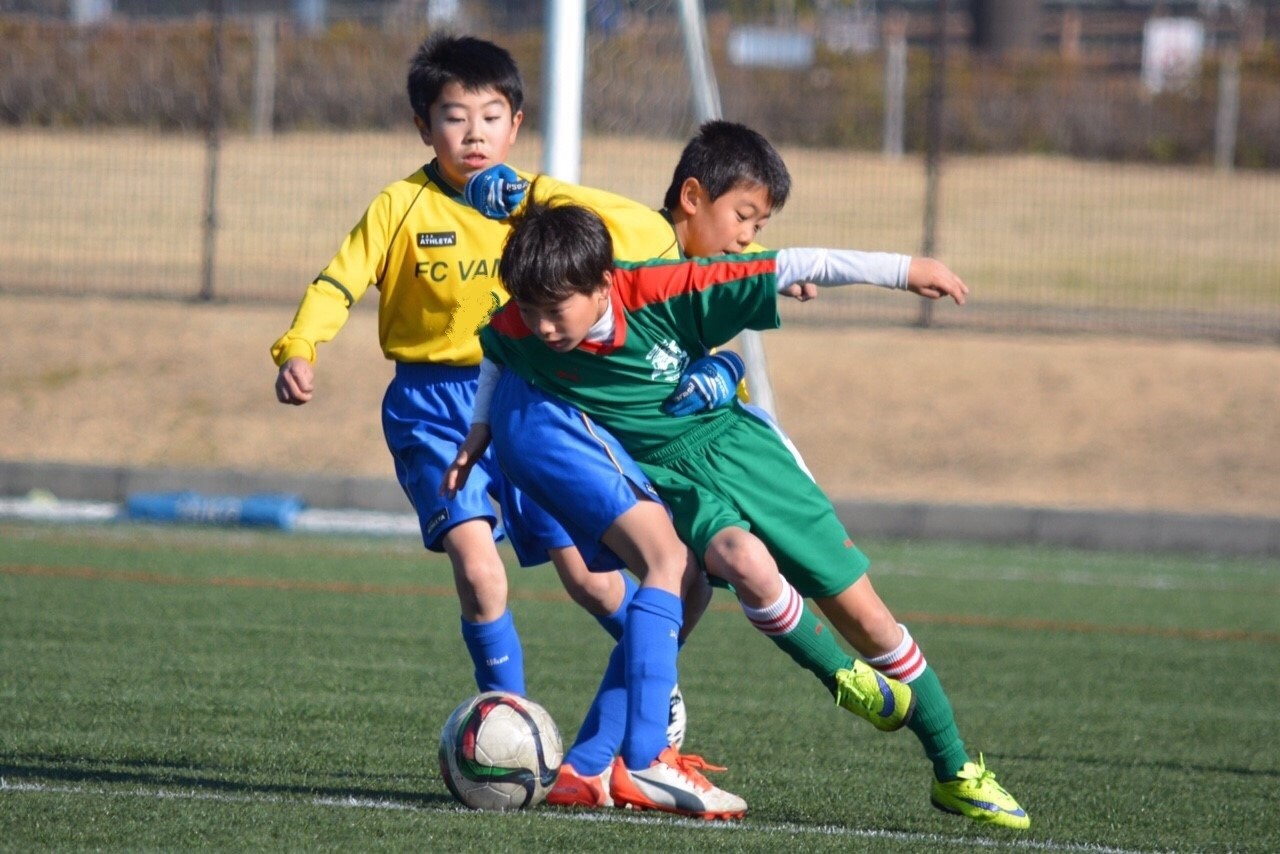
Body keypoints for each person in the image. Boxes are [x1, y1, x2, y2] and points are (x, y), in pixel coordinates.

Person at [454, 197, 1031, 830]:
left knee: (869, 621)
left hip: (743, 453)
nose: (539, 327)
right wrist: (480, 431)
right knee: (735, 559)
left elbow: (792, 264)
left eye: (552, 312)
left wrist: (903, 269)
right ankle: (840, 679)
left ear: (600, 284)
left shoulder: (661, 291)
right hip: (674, 476)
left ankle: (954, 771)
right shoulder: (525, 320)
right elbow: (496, 349)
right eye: (530, 310)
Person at [269, 34, 699, 731]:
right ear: (422, 125)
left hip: (531, 404)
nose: (474, 133)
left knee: (590, 580)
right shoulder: (399, 207)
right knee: (479, 570)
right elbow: (337, 283)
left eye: (491, 116)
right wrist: (300, 347)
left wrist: (543, 193)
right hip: (432, 409)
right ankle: (509, 724)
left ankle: (657, 690)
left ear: (516, 124)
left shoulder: (535, 204)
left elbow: (648, 237)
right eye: (454, 116)